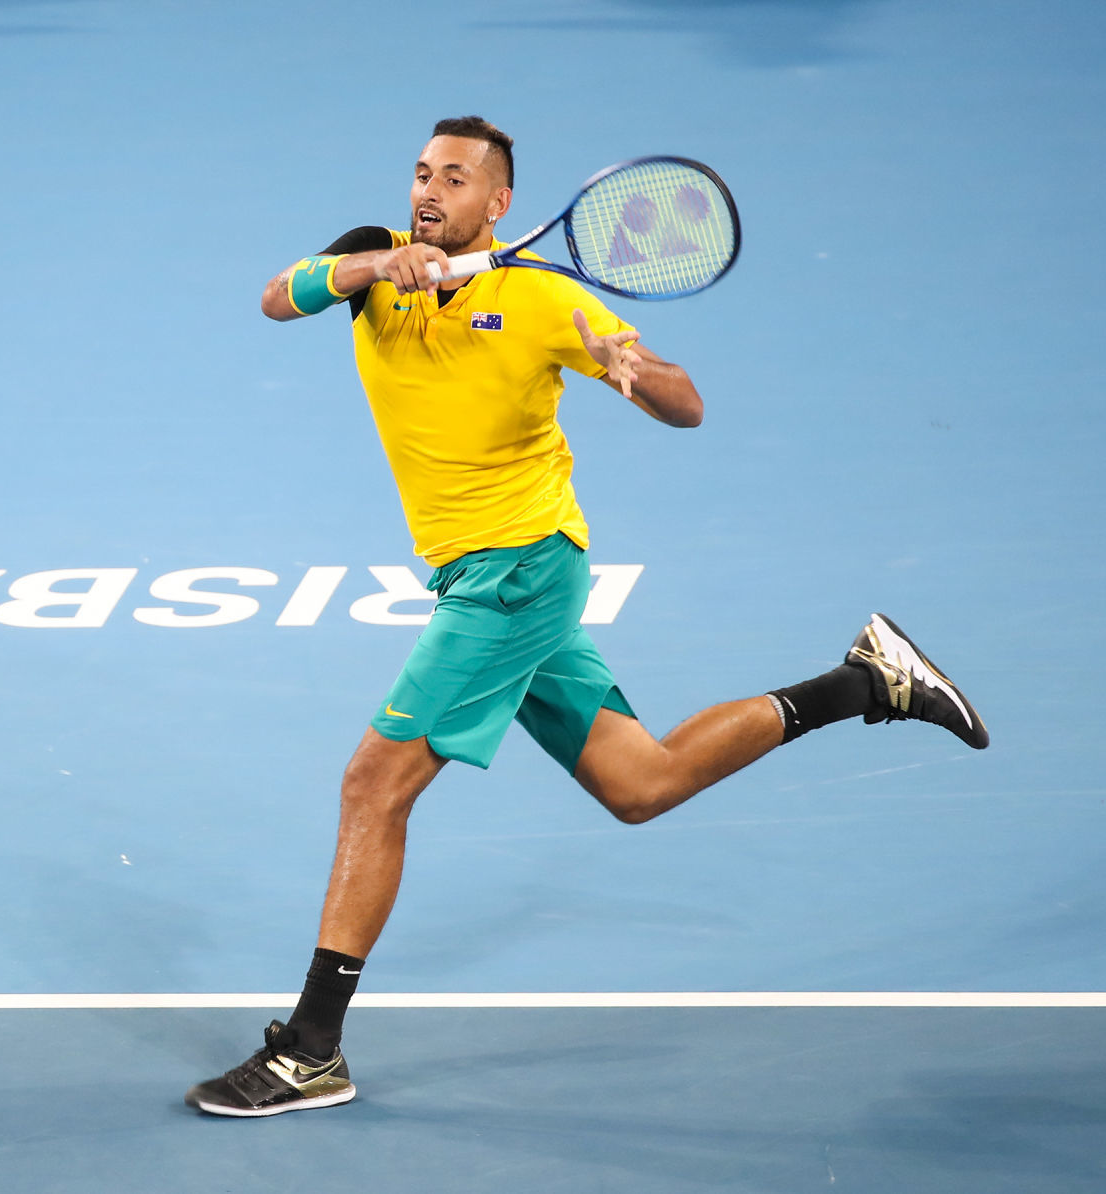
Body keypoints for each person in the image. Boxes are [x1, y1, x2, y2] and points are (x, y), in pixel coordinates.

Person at [184, 116, 989, 1118]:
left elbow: (685, 402)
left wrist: (629, 371)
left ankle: (310, 1050)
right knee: (637, 783)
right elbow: (277, 298)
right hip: (498, 579)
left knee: (372, 786)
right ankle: (867, 680)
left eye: (457, 179)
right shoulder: (368, 267)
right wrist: (387, 264)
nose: (432, 189)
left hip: (514, 575)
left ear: (499, 205)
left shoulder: (544, 298)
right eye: (422, 173)